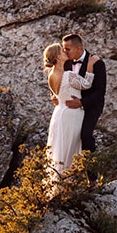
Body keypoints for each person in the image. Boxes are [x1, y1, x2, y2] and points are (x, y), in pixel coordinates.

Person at [43, 42, 97, 176]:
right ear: (58, 57)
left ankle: (60, 179)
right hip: (71, 114)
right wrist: (90, 65)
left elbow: (56, 94)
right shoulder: (68, 75)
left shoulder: (51, 75)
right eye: (62, 51)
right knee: (71, 147)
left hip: (59, 113)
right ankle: (69, 179)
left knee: (60, 148)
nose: (65, 52)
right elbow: (87, 84)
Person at [61, 33, 106, 153]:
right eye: (63, 49)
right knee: (69, 137)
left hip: (90, 106)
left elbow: (100, 91)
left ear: (79, 48)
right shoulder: (66, 62)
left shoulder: (97, 63)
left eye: (67, 49)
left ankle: (90, 168)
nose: (65, 52)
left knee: (85, 135)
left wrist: (81, 102)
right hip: (71, 107)